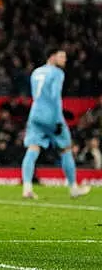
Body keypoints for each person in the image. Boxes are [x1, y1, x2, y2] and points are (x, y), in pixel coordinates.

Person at [21, 49, 91, 199]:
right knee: (66, 149)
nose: (65, 59)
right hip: (51, 116)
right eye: (61, 56)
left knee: (33, 148)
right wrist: (58, 121)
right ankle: (73, 188)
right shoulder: (57, 73)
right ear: (52, 57)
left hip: (35, 114)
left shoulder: (36, 72)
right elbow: (54, 97)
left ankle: (27, 188)